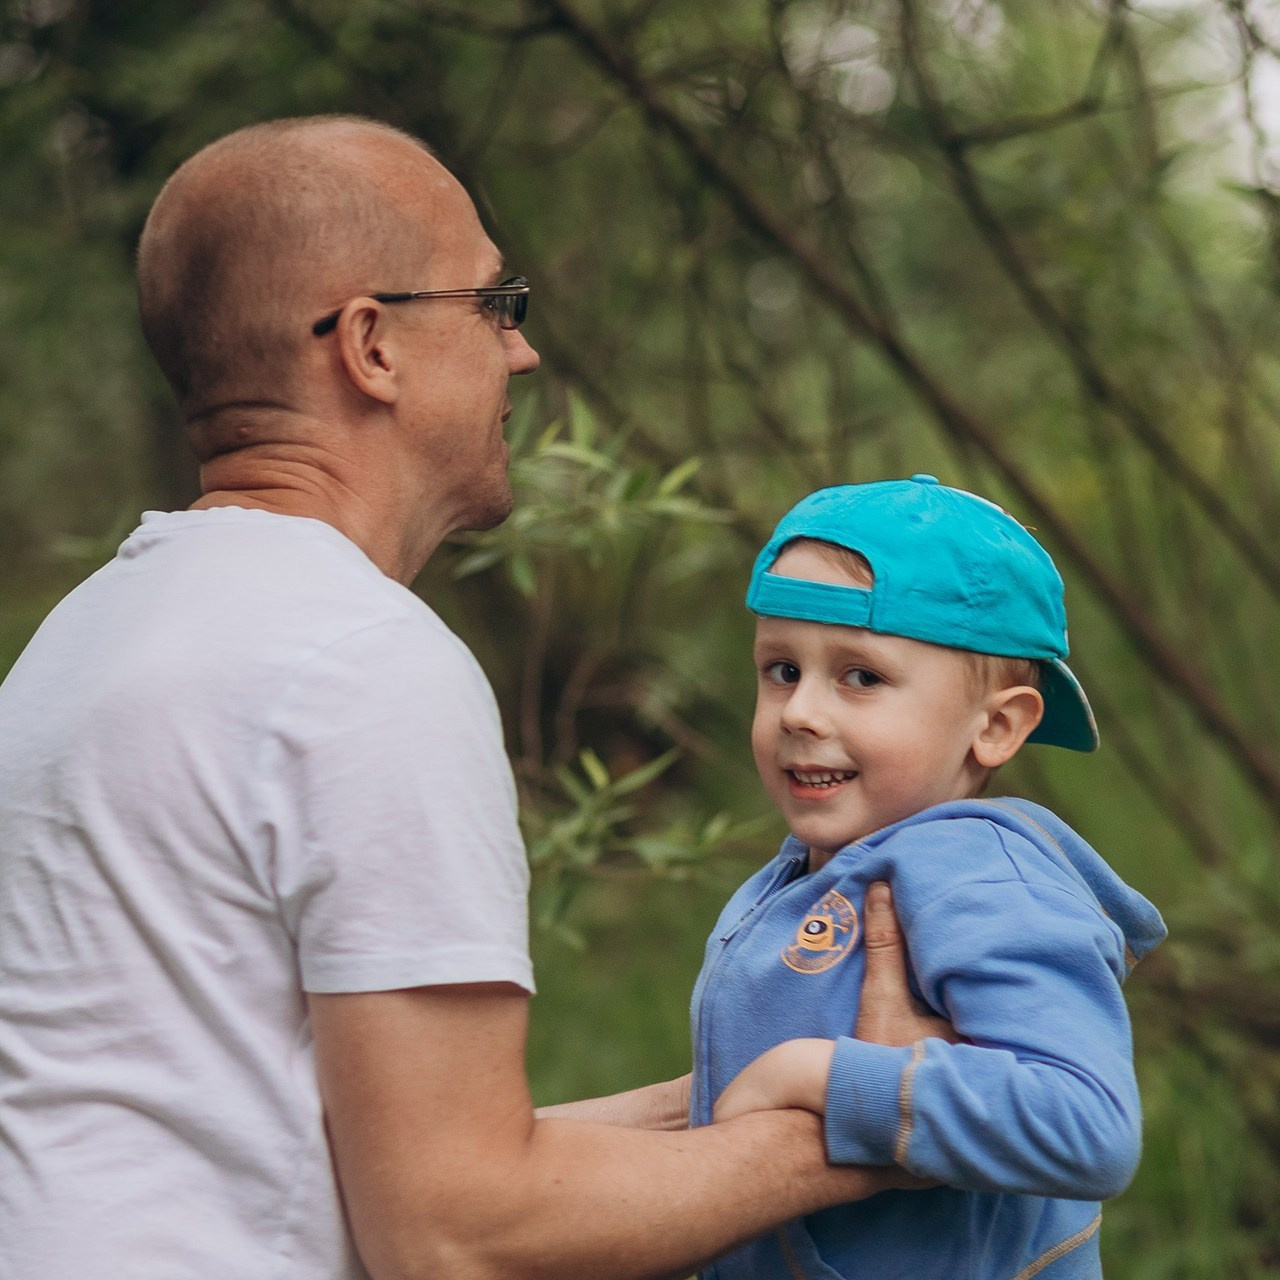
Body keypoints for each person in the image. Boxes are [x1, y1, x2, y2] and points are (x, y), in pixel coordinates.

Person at [0, 115, 938, 1280]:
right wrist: (872, 1136)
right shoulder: (356, 660)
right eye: (495, 305)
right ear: (371, 345)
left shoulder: (84, 635)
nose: (521, 352)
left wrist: (799, 1082)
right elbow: (457, 1232)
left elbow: (366, 1156)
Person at [692, 474, 1167, 1280]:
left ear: (996, 726)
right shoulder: (814, 872)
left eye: (860, 677)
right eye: (781, 670)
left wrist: (820, 1078)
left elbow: (1090, 1124)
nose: (802, 712)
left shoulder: (981, 883)